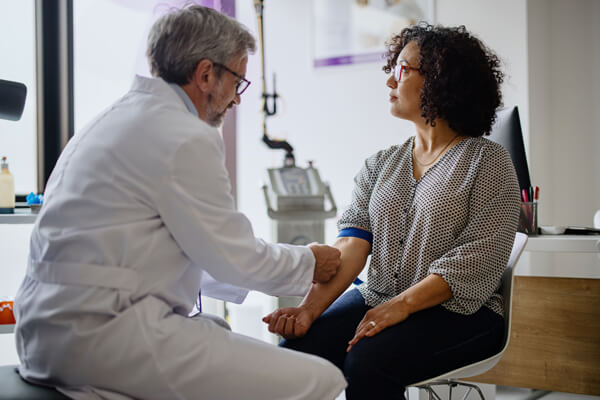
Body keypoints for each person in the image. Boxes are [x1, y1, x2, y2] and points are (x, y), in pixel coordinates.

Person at [14, 5, 347, 400]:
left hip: (47, 333)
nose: (237, 100)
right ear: (206, 74)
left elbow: (192, 254)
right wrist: (310, 262)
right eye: (238, 81)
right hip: (101, 336)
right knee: (321, 379)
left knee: (218, 334)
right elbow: (235, 257)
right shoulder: (184, 136)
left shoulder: (114, 118)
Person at [263, 23, 521, 399]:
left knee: (369, 361)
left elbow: (475, 259)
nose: (389, 82)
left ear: (440, 79)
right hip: (379, 296)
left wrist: (401, 307)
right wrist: (307, 309)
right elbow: (350, 248)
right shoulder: (380, 165)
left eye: (402, 69)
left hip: (462, 312)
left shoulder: (487, 161)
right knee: (296, 353)